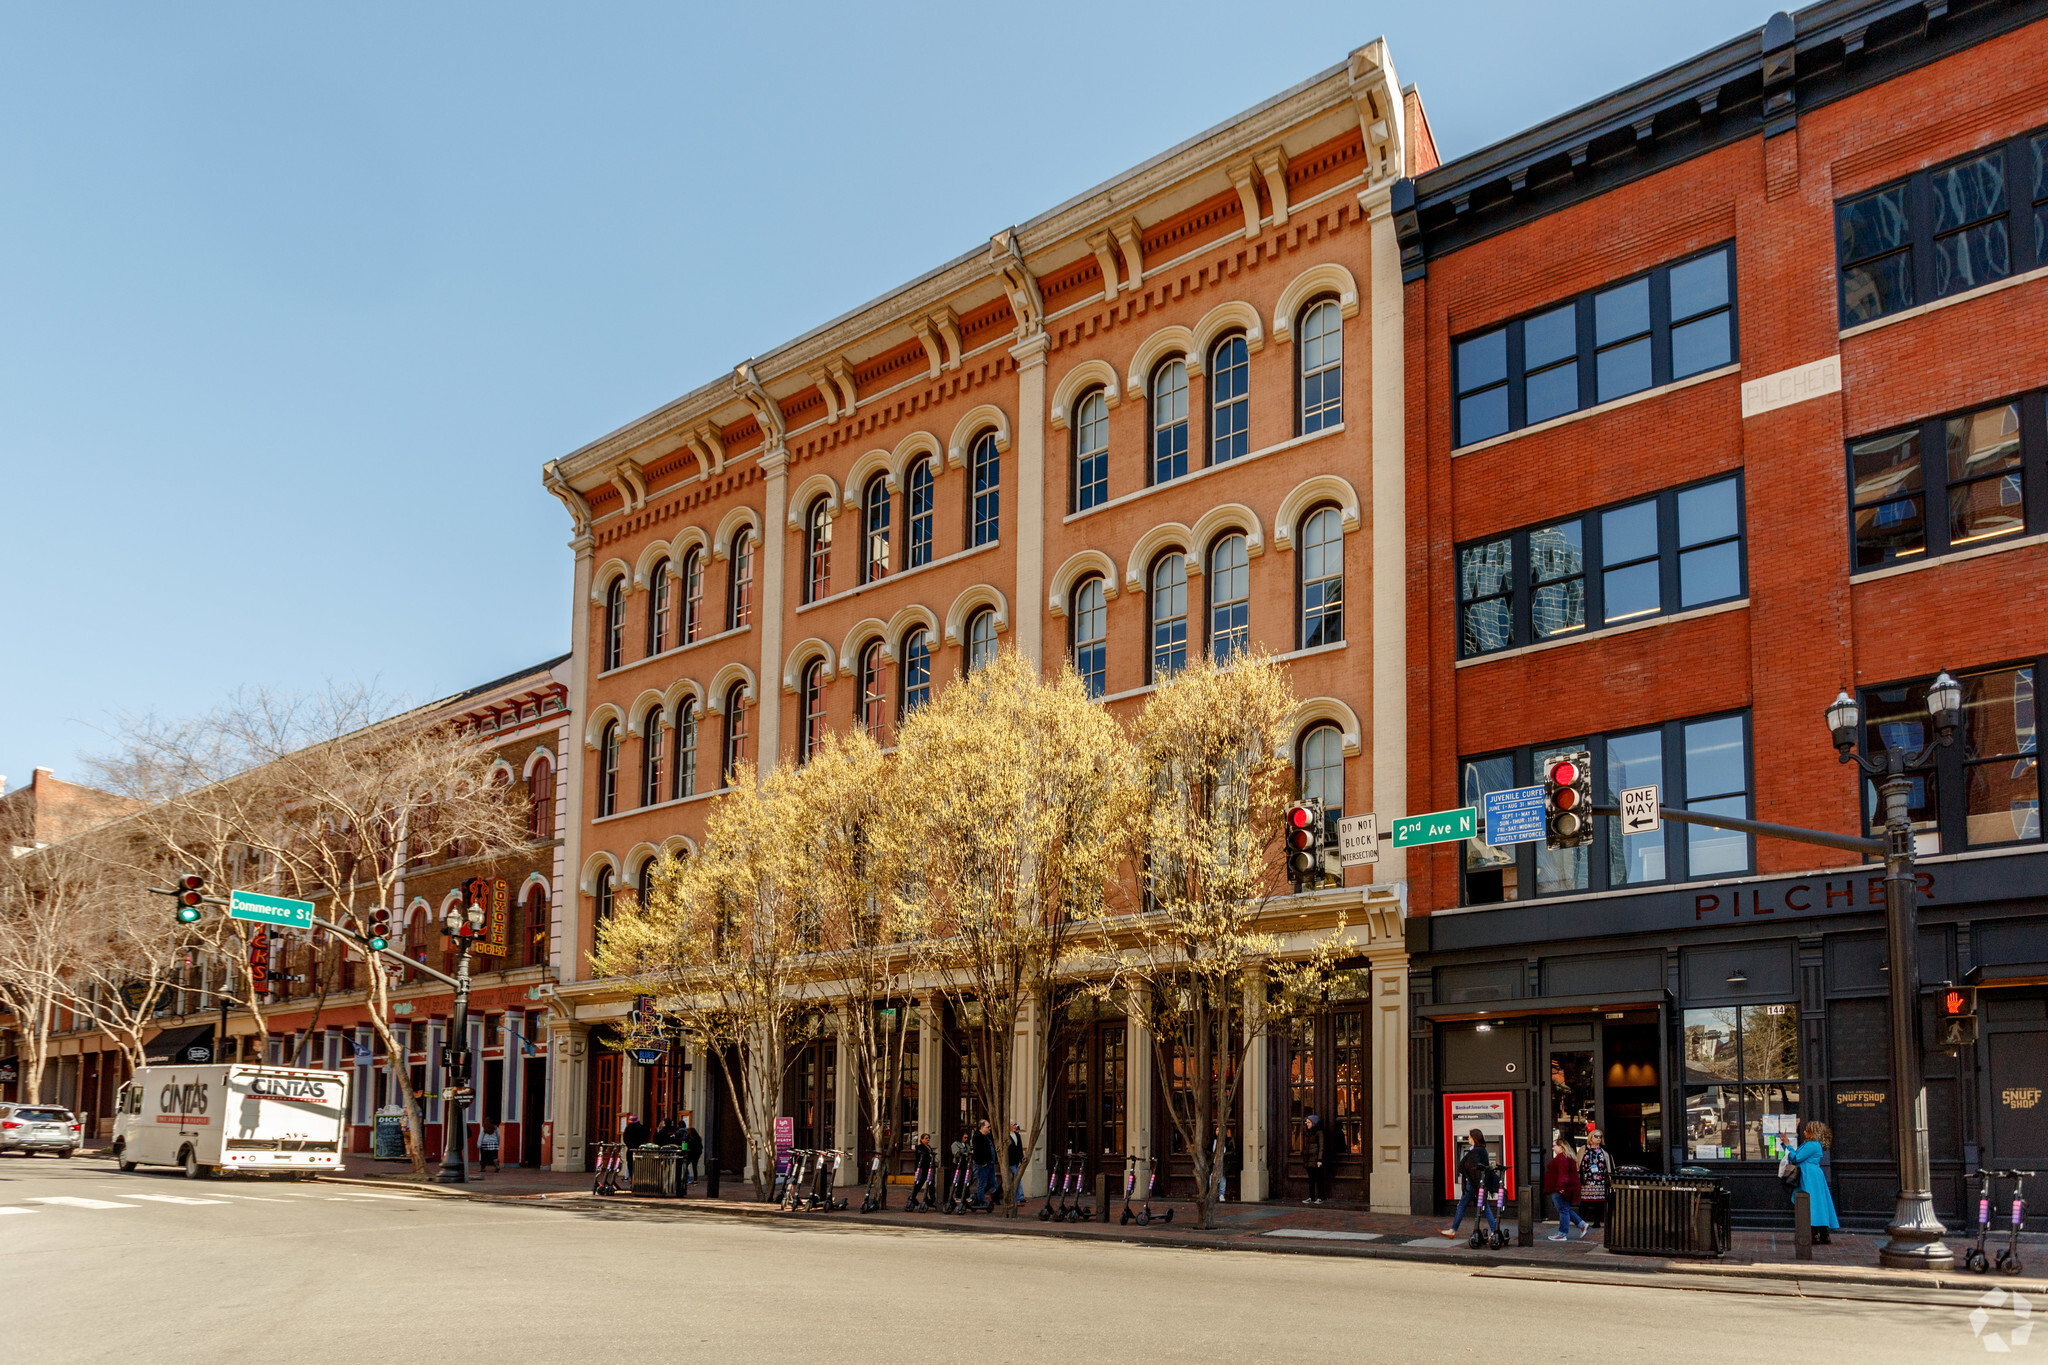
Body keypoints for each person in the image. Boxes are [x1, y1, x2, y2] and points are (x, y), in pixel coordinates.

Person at [1440, 1128, 1499, 1240]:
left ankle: (1453, 1230)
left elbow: (1472, 1167)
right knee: (1484, 1206)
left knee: (1464, 1205)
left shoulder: (1476, 1151)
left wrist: (1471, 1178)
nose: (1468, 1138)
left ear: (1474, 1138)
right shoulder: (1481, 1150)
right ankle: (1494, 1230)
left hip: (1473, 1183)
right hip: (1477, 1183)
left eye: (1470, 1136)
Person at [1789, 1119, 1839, 1244]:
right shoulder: (1814, 1144)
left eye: (1807, 1130)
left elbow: (1796, 1157)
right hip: (1813, 1174)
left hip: (1809, 1175)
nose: (1804, 1132)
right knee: (1818, 1203)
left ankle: (1813, 1233)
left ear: (1812, 1132)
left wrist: (1787, 1145)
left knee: (1810, 1203)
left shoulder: (1812, 1145)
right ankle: (1823, 1233)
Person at [1546, 1137, 1588, 1241]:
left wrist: (1561, 1187)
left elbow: (1563, 1174)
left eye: (1554, 1145)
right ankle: (1582, 1224)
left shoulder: (1562, 1158)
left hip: (1561, 1188)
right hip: (1566, 1187)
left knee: (1563, 1210)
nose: (1552, 1148)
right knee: (1565, 1209)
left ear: (1561, 1146)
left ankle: (1562, 1234)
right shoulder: (1568, 1157)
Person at [1577, 1129, 1612, 1228]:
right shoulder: (1584, 1149)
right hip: (1587, 1180)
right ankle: (1581, 1222)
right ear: (1591, 1137)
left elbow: (1608, 1165)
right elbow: (1578, 1162)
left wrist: (1608, 1177)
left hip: (1600, 1180)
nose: (1598, 1139)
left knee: (1599, 1202)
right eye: (1596, 1136)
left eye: (1600, 1137)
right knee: (1585, 1202)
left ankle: (1597, 1222)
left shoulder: (1603, 1150)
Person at [1301, 1113, 1329, 1205]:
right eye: (1306, 1123)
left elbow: (1321, 1146)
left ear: (1314, 1123)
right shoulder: (1308, 1132)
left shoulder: (1319, 1132)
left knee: (1318, 1178)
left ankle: (1320, 1197)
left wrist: (1319, 1160)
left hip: (1316, 1159)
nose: (1307, 1124)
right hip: (1308, 1158)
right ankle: (1311, 1197)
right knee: (1311, 1179)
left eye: (1309, 1122)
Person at [971, 1119, 998, 1209]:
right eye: (988, 1127)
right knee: (982, 1183)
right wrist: (982, 1162)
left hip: (990, 1163)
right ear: (982, 1127)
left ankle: (976, 1196)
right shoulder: (977, 1136)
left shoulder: (987, 1136)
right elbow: (977, 1151)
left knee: (992, 1183)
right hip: (983, 1164)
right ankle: (981, 1202)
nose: (990, 1128)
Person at [679, 1114, 703, 1187]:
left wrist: (684, 1151)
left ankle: (685, 1179)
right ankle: (695, 1180)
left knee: (685, 1166)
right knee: (694, 1167)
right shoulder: (698, 1138)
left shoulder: (687, 1138)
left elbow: (684, 1146)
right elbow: (701, 1147)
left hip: (689, 1154)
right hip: (696, 1154)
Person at [1221, 1125, 1243, 1204]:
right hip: (1216, 1162)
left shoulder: (1230, 1141)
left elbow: (1232, 1151)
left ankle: (1221, 1194)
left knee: (1223, 1178)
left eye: (1229, 1132)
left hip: (1226, 1163)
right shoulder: (1217, 1140)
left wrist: (1223, 1154)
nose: (1227, 1134)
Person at [1006, 1121, 1025, 1205]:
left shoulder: (1017, 1135)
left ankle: (1018, 1198)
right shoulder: (1006, 1137)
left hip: (1016, 1162)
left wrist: (1021, 1159)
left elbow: (1020, 1148)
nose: (1015, 1126)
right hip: (1010, 1162)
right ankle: (1018, 1198)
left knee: (1017, 1179)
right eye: (1013, 1125)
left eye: (1015, 1124)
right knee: (1017, 1179)